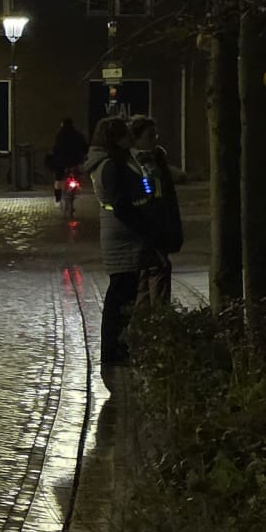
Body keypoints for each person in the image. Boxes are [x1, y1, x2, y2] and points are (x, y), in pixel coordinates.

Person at [86, 116, 158, 390]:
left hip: (119, 230)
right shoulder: (111, 166)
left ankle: (117, 347)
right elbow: (122, 202)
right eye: (126, 135)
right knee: (121, 292)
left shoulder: (112, 162)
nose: (131, 138)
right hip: (122, 234)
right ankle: (114, 349)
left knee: (123, 291)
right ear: (115, 138)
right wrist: (144, 226)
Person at [128, 115, 183, 307]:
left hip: (160, 229)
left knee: (154, 277)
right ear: (136, 138)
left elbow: (166, 194)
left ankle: (150, 325)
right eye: (149, 136)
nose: (153, 141)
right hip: (145, 233)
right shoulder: (131, 164)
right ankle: (151, 325)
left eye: (155, 136)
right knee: (150, 279)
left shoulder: (157, 160)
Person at [48, 117, 87, 202]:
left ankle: (57, 200)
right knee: (78, 174)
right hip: (76, 161)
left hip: (62, 162)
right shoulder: (78, 134)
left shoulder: (60, 134)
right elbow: (84, 146)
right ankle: (76, 186)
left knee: (58, 180)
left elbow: (56, 148)